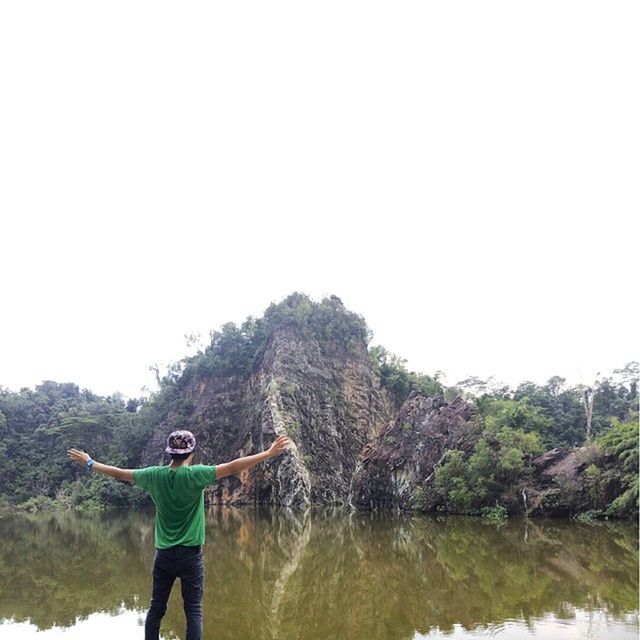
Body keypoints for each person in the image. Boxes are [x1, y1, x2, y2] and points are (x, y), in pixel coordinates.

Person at [67, 430, 292, 640]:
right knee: (193, 610)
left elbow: (118, 474)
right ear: (191, 453)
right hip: (190, 557)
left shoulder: (153, 476)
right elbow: (233, 467)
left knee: (156, 607)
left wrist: (89, 462)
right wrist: (269, 452)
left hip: (163, 556)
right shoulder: (196, 475)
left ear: (169, 453)